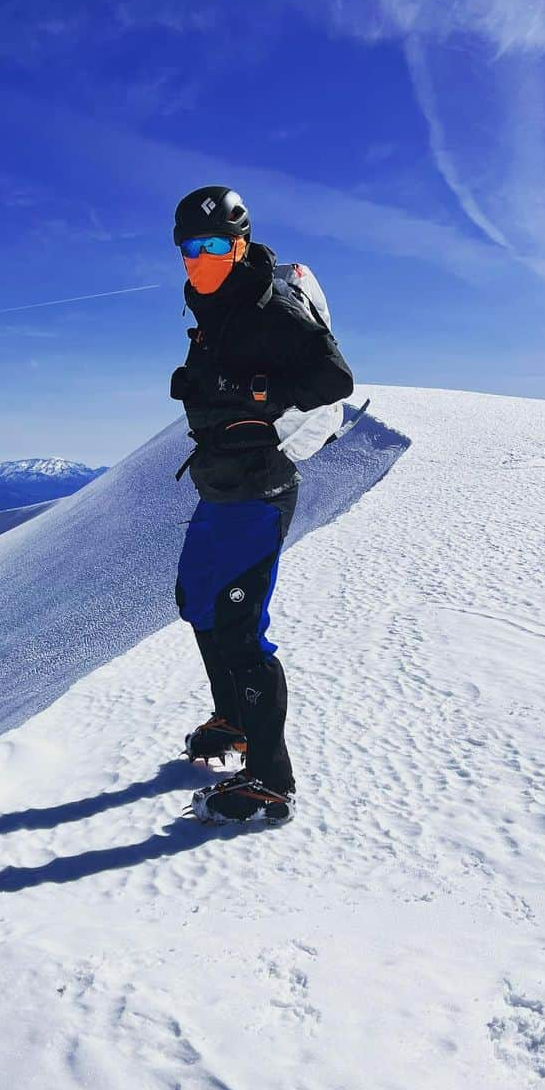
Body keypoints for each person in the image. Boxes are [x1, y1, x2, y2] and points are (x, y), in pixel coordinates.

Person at [170, 186, 355, 824]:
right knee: (196, 599)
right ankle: (235, 719)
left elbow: (335, 380)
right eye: (190, 247)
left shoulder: (271, 305)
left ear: (241, 244)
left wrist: (255, 389)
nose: (201, 257)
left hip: (261, 486)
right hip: (219, 481)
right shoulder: (211, 307)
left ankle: (271, 783)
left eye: (215, 244)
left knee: (240, 631)